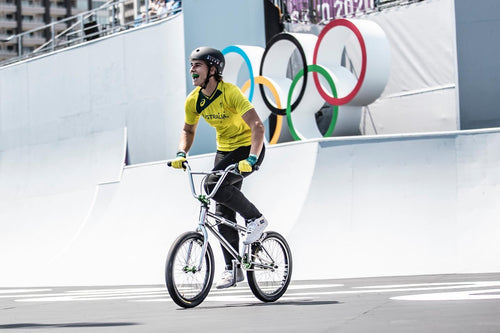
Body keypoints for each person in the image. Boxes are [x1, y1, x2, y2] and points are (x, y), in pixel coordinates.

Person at [171, 47, 268, 289]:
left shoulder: (230, 93)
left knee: (212, 184)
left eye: (197, 65)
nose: (192, 70)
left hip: (248, 148)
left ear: (213, 70)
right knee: (222, 211)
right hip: (224, 151)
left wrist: (253, 159)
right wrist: (182, 153)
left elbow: (257, 126)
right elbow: (188, 130)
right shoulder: (194, 100)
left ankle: (256, 219)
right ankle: (233, 269)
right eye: (191, 65)